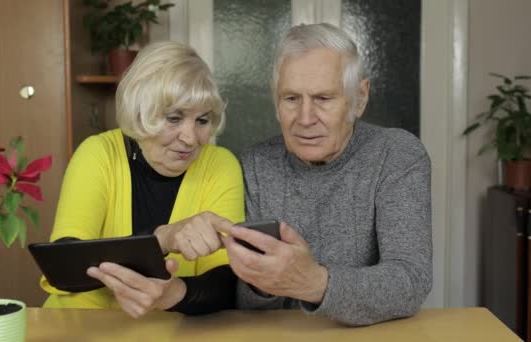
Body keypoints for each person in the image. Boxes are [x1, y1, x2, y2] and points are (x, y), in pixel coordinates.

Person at [221, 23, 432, 326]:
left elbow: (410, 281)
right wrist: (260, 279)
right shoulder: (256, 163)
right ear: (275, 99)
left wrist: (314, 282)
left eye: (323, 99)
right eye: (291, 99)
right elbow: (247, 303)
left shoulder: (396, 155)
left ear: (359, 98)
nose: (305, 119)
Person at [40, 41, 244, 318]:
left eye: (202, 120)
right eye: (174, 118)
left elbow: (230, 285)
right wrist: (160, 240)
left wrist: (173, 294)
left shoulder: (220, 165)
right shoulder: (98, 153)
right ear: (139, 112)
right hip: (81, 326)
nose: (190, 138)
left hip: (173, 333)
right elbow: (64, 268)